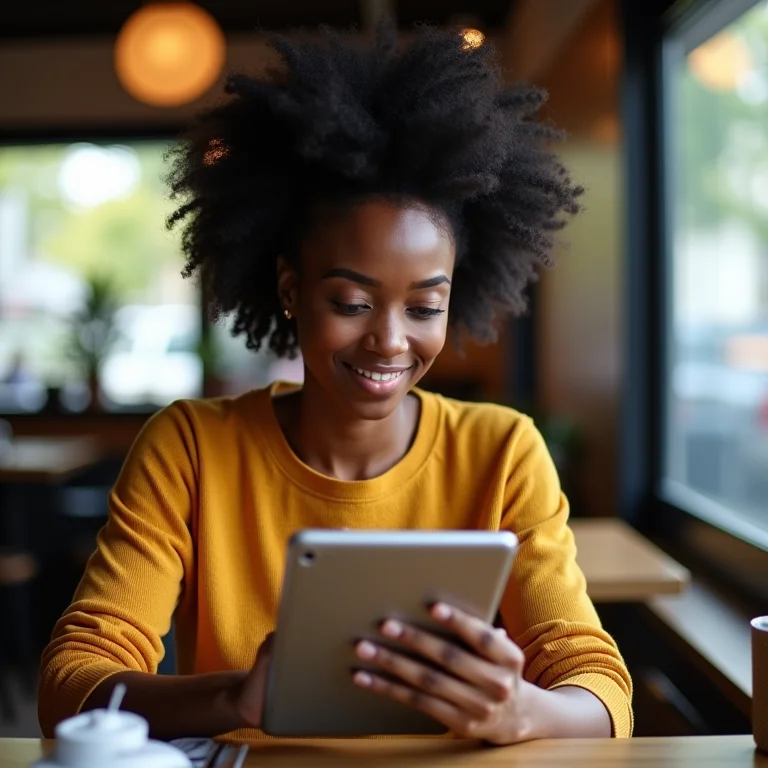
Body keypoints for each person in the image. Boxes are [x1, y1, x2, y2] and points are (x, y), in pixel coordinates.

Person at [38, 22, 632, 745]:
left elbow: (601, 691)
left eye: (424, 307)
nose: (388, 339)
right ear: (291, 288)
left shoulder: (502, 451)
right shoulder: (190, 448)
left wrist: (522, 711)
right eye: (351, 303)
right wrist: (236, 697)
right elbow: (71, 685)